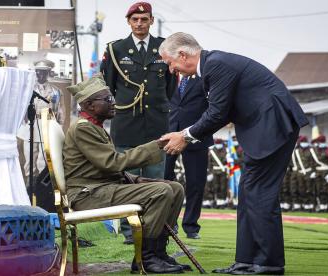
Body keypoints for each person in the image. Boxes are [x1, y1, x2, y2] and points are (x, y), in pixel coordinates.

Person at [158, 32, 308, 275]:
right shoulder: (211, 67)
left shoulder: (215, 65)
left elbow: (217, 113)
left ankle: (268, 263)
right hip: (263, 127)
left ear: (182, 55)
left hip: (271, 125)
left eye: (170, 63)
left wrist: (184, 136)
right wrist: (186, 135)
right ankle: (247, 261)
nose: (172, 70)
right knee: (249, 191)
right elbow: (222, 113)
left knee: (259, 192)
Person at [64, 74, 188, 274]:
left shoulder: (94, 127)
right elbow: (112, 163)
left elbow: (105, 167)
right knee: (160, 191)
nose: (114, 103)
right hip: (89, 195)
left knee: (175, 188)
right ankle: (144, 259)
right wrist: (155, 146)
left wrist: (138, 179)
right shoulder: (82, 129)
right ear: (89, 104)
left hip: (102, 189)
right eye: (107, 100)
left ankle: (158, 252)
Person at [100, 1, 177, 244]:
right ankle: (129, 231)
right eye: (135, 20)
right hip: (127, 125)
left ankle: (154, 228)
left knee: (156, 180)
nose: (140, 24)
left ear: (151, 21)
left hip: (156, 125)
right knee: (128, 181)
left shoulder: (164, 48)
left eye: (145, 20)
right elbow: (109, 86)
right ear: (129, 22)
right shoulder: (116, 50)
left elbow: (171, 88)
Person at [164, 74, 212, 239]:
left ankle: (191, 226)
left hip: (197, 134)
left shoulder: (203, 76)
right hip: (169, 132)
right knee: (165, 179)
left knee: (196, 182)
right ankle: (170, 222)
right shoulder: (166, 75)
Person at [17, 60, 64, 182]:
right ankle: (29, 185)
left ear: (48, 73)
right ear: (35, 73)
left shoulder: (56, 91)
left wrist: (59, 129)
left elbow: (60, 112)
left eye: (44, 72)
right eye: (38, 72)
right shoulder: (28, 89)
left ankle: (42, 188)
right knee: (29, 158)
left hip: (47, 126)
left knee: (44, 160)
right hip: (31, 126)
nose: (41, 75)